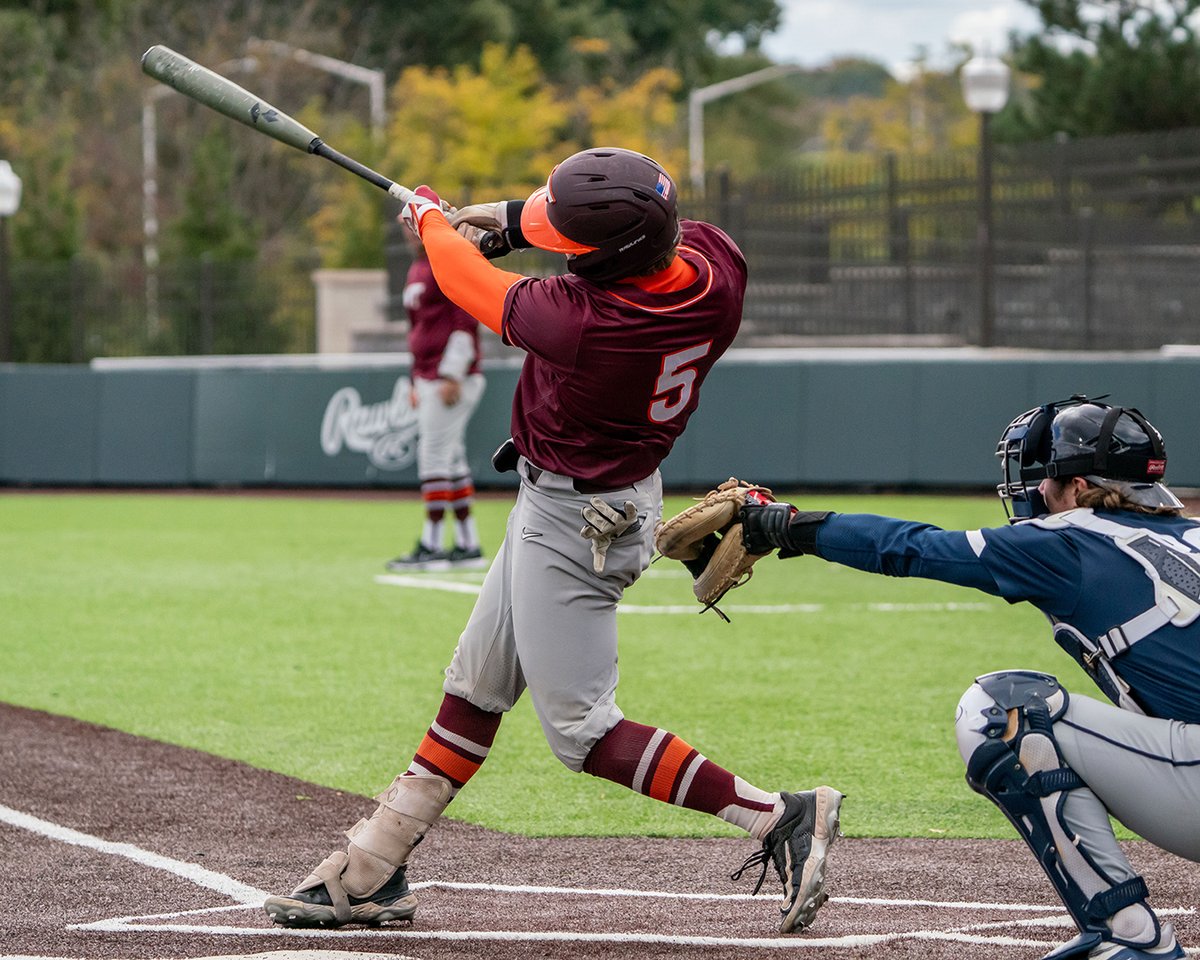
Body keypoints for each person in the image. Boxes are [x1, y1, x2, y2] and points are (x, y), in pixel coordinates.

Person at [263, 147, 844, 934]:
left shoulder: (586, 324)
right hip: (592, 500)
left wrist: (433, 221)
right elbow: (618, 240)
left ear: (605, 264)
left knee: (583, 733)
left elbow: (466, 282)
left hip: (578, 526)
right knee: (475, 687)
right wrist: (509, 221)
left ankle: (779, 815)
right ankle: (374, 867)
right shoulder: (717, 266)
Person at [738, 395, 1196, 960]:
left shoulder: (1068, 542)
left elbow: (910, 548)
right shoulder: (1188, 534)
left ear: (1077, 488)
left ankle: (1130, 936)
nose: (1033, 493)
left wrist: (787, 528)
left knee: (1003, 708)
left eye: (1043, 480)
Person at [386, 230, 487, 572]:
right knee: (451, 459)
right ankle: (467, 542)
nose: (408, 231)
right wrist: (416, 377)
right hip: (429, 375)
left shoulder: (446, 263)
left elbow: (465, 317)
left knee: (433, 456)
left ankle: (431, 543)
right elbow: (416, 329)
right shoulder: (417, 268)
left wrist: (452, 372)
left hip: (450, 376)